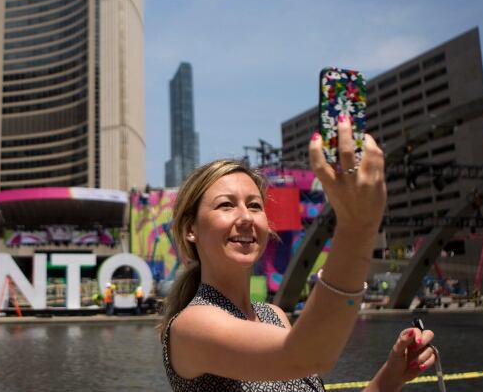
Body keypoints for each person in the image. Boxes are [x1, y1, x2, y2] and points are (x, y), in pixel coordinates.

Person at [161, 117, 437, 390]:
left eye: (255, 205)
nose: (246, 217)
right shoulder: (193, 325)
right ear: (190, 229)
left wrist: (391, 375)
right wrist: (357, 226)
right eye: (226, 205)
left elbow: (306, 356)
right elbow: (307, 356)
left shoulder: (275, 316)